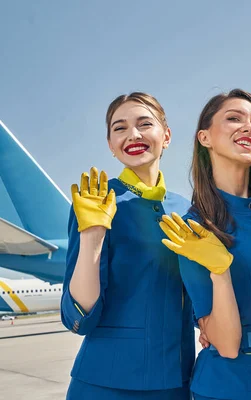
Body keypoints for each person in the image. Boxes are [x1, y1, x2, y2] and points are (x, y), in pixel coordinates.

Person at [159, 89, 251, 399]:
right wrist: (219, 270)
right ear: (205, 137)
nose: (249, 128)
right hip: (230, 386)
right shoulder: (196, 228)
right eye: (233, 119)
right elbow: (226, 345)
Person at [61, 92, 195, 399]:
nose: (133, 134)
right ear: (110, 145)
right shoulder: (95, 202)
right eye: (119, 128)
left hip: (178, 379)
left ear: (167, 135)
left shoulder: (188, 209)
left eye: (144, 123)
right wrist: (92, 235)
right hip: (105, 382)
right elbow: (78, 317)